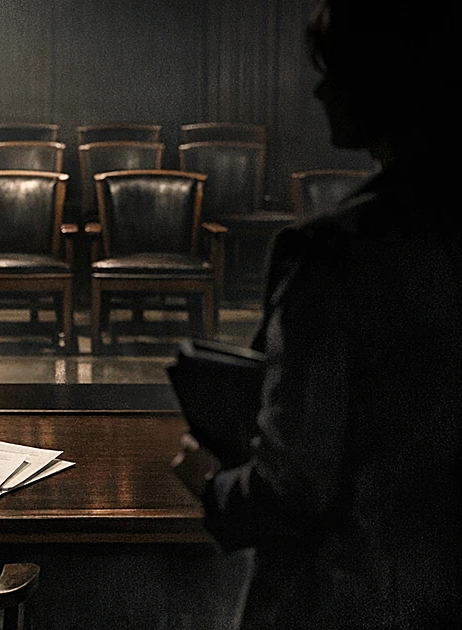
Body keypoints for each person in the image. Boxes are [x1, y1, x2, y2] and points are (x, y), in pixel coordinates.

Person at [172, 1, 460, 627]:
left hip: (349, 597)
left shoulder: (334, 254)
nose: (322, 89)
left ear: (387, 79)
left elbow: (289, 489)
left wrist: (210, 481)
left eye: (338, 69)